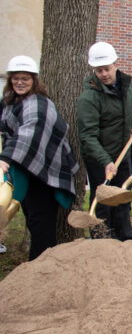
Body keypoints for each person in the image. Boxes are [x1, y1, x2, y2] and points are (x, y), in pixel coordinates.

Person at [0, 55, 79, 260]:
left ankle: (42, 267)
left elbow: (29, 134)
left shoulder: (39, 104)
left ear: (34, 80)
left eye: (25, 78)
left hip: (45, 171)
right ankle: (38, 267)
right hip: (26, 167)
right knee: (32, 218)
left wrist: (5, 158)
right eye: (15, 78)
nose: (19, 82)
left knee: (41, 222)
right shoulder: (9, 102)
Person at [76, 41, 132, 240]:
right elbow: (87, 135)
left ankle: (124, 237)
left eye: (107, 68)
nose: (104, 74)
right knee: (102, 201)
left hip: (123, 153)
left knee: (122, 197)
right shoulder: (89, 97)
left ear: (115, 64)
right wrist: (105, 161)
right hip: (99, 158)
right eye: (99, 70)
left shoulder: (128, 85)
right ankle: (101, 239)